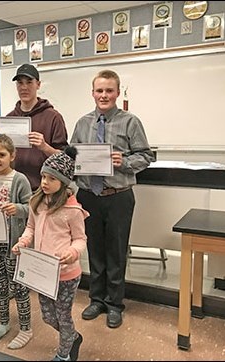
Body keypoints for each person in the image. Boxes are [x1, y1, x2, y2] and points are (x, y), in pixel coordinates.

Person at [70, 70, 155, 328]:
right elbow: (71, 155)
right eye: (99, 90)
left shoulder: (130, 122)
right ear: (92, 93)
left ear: (117, 93)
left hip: (118, 196)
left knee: (116, 252)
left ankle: (115, 303)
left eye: (109, 90)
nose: (103, 95)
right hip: (89, 196)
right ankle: (96, 299)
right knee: (94, 249)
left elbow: (146, 155)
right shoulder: (83, 123)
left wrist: (124, 161)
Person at [12, 146, 88, 362]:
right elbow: (31, 228)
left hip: (66, 274)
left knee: (63, 317)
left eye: (51, 179)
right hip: (42, 273)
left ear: (63, 182)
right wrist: (23, 242)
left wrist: (73, 252)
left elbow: (80, 239)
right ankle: (73, 337)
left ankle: (63, 355)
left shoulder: (73, 210)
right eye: (43, 176)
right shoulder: (36, 202)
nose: (44, 182)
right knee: (47, 317)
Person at [0, 134, 33, 349]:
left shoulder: (19, 179)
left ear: (12, 156)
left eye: (1, 154)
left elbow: (32, 209)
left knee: (18, 287)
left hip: (13, 245)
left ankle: (26, 327)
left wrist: (17, 209)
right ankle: (3, 323)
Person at [6, 63, 69, 191]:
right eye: (20, 83)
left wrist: (45, 147)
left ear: (38, 84)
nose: (24, 87)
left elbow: (65, 159)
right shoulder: (8, 119)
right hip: (14, 189)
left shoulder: (53, 117)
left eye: (29, 82)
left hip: (43, 190)